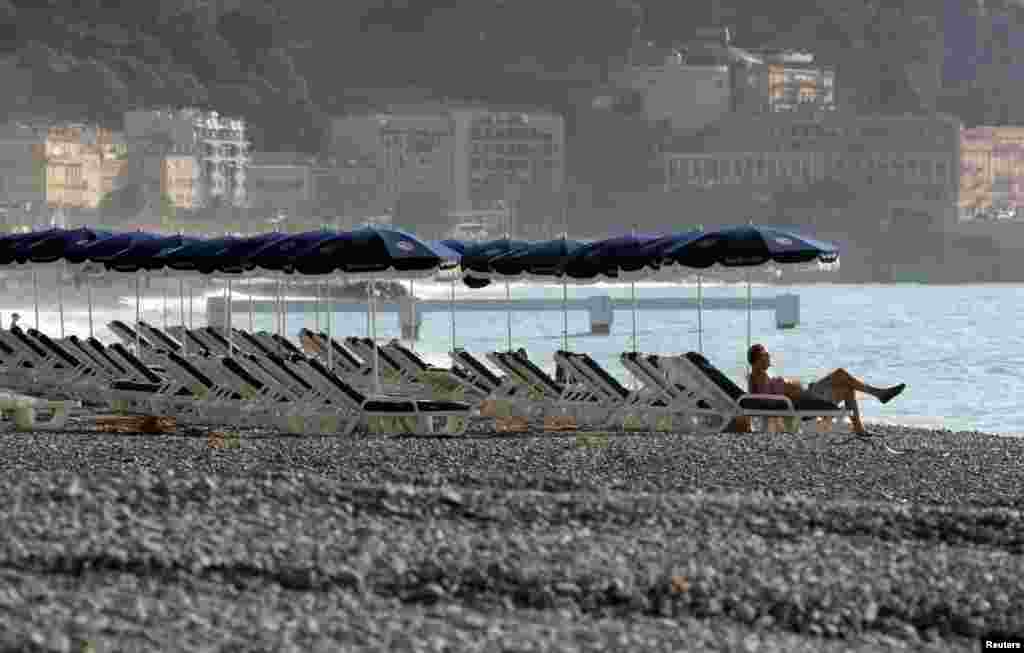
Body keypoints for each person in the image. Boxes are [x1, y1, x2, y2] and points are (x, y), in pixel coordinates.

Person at [747, 343, 905, 436]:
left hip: (808, 395)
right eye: (765, 355)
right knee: (840, 374)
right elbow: (767, 402)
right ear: (757, 360)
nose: (769, 358)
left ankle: (859, 427)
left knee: (847, 389)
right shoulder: (758, 377)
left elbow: (763, 397)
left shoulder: (760, 377)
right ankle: (879, 394)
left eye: (768, 355)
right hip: (807, 398)